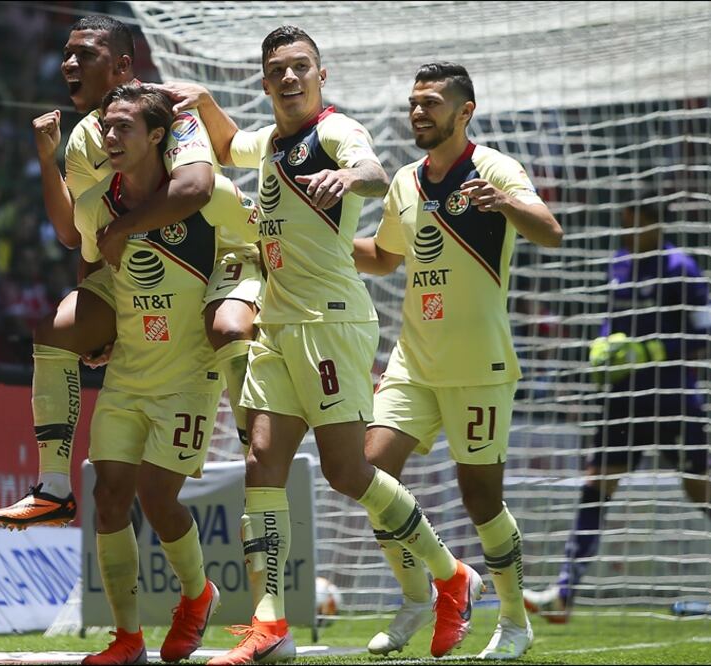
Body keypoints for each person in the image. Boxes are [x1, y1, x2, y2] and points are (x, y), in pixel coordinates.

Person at [161, 29, 486, 664]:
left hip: (332, 322)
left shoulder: (335, 131)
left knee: (347, 472)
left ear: (321, 74)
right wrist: (201, 98)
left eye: (300, 68)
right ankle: (271, 621)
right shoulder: (268, 141)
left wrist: (346, 177)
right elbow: (227, 145)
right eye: (277, 70)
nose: (289, 79)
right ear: (264, 81)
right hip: (277, 323)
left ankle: (452, 576)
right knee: (261, 459)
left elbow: (371, 170)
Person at [0, 15, 261, 531]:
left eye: (84, 54)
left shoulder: (170, 110)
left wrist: (124, 231)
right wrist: (101, 305)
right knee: (56, 331)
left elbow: (196, 188)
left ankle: (259, 449)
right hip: (137, 270)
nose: (69, 63)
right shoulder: (87, 139)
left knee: (226, 329)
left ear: (122, 66)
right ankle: (53, 488)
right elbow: (80, 231)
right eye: (66, 54)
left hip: (213, 257)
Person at [351, 62, 563, 660]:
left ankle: (515, 623)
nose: (419, 111)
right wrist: (325, 239)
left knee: (480, 500)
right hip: (414, 362)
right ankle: (426, 593)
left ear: (464, 111)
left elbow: (550, 231)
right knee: (369, 474)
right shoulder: (405, 181)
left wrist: (503, 202)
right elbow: (385, 258)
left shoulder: (495, 168)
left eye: (432, 102)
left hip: (479, 367)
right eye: (414, 102)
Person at [76, 84, 259, 666]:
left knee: (158, 497)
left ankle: (198, 595)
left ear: (159, 136)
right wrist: (95, 329)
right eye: (107, 126)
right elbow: (92, 267)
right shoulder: (94, 204)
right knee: (108, 497)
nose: (110, 137)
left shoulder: (213, 197)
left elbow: (261, 247)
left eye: (124, 127)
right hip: (128, 372)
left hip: (189, 375)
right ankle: (126, 639)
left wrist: (240, 303)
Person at [522, 196, 711, 623]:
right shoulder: (620, 262)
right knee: (598, 484)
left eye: (632, 223)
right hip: (624, 401)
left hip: (673, 399)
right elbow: (611, 320)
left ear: (654, 224)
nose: (625, 232)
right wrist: (603, 343)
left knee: (700, 492)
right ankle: (563, 594)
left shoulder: (682, 268)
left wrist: (654, 348)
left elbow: (709, 333)